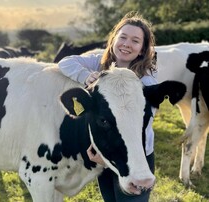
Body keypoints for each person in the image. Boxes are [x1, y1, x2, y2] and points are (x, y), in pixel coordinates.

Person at [58, 11, 157, 202]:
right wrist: (85, 76)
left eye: (135, 41)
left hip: (136, 157)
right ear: (113, 40)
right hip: (107, 152)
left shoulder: (146, 82)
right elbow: (66, 62)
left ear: (143, 49)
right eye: (123, 37)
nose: (127, 44)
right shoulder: (99, 62)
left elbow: (143, 125)